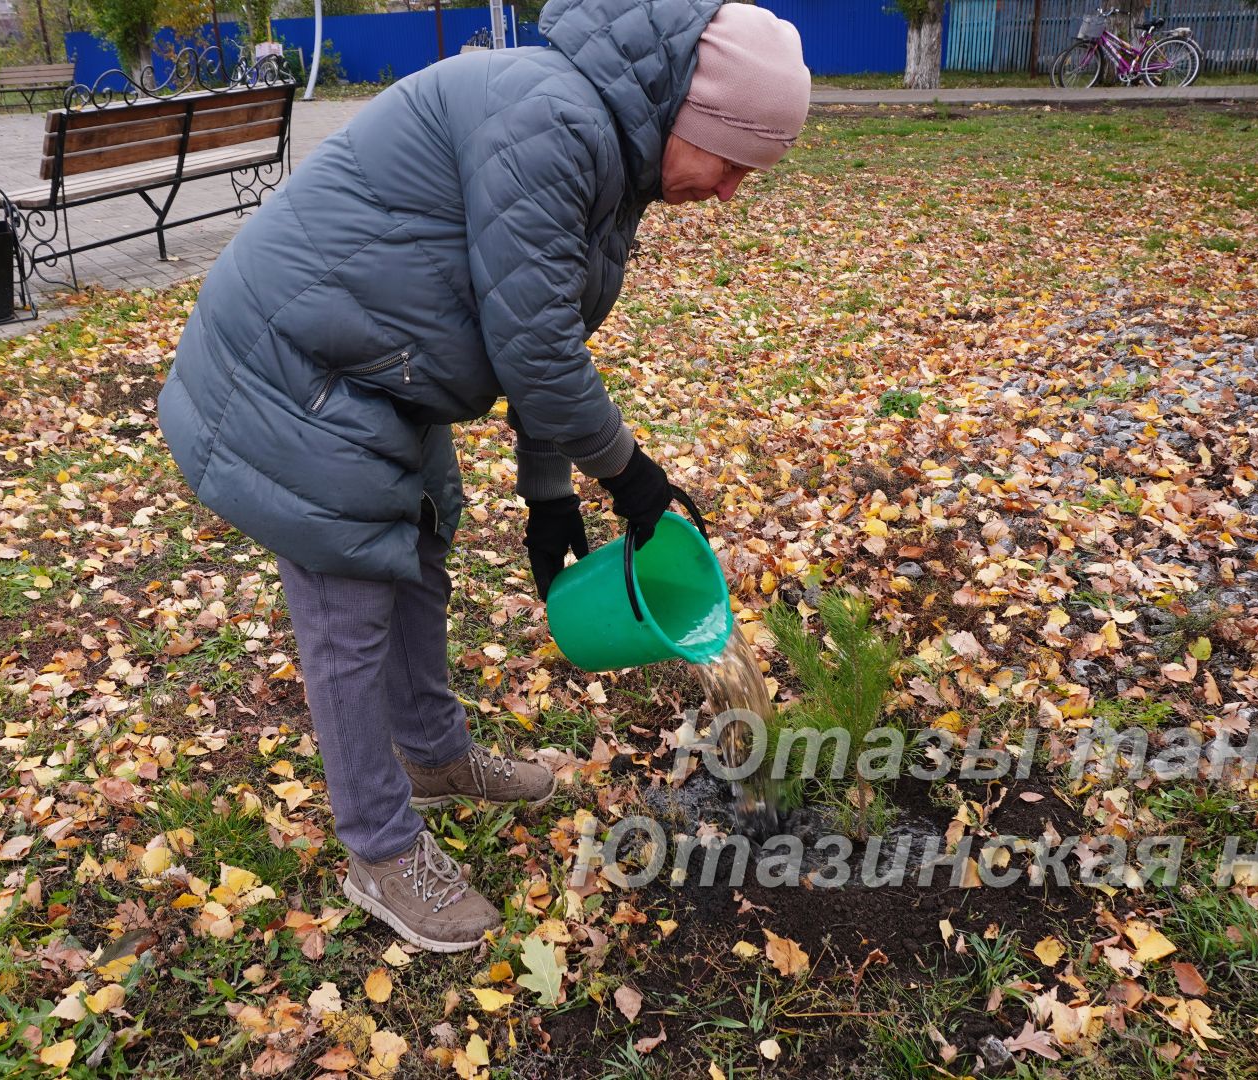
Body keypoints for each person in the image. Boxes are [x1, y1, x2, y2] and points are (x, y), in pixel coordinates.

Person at [159, 0, 810, 952]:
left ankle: (434, 757)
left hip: (382, 375)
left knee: (421, 545)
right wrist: (630, 479)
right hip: (296, 367)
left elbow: (541, 325)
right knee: (349, 608)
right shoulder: (553, 119)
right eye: (733, 162)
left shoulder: (610, 155)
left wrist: (550, 497)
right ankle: (380, 849)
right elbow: (537, 349)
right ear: (691, 119)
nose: (728, 192)